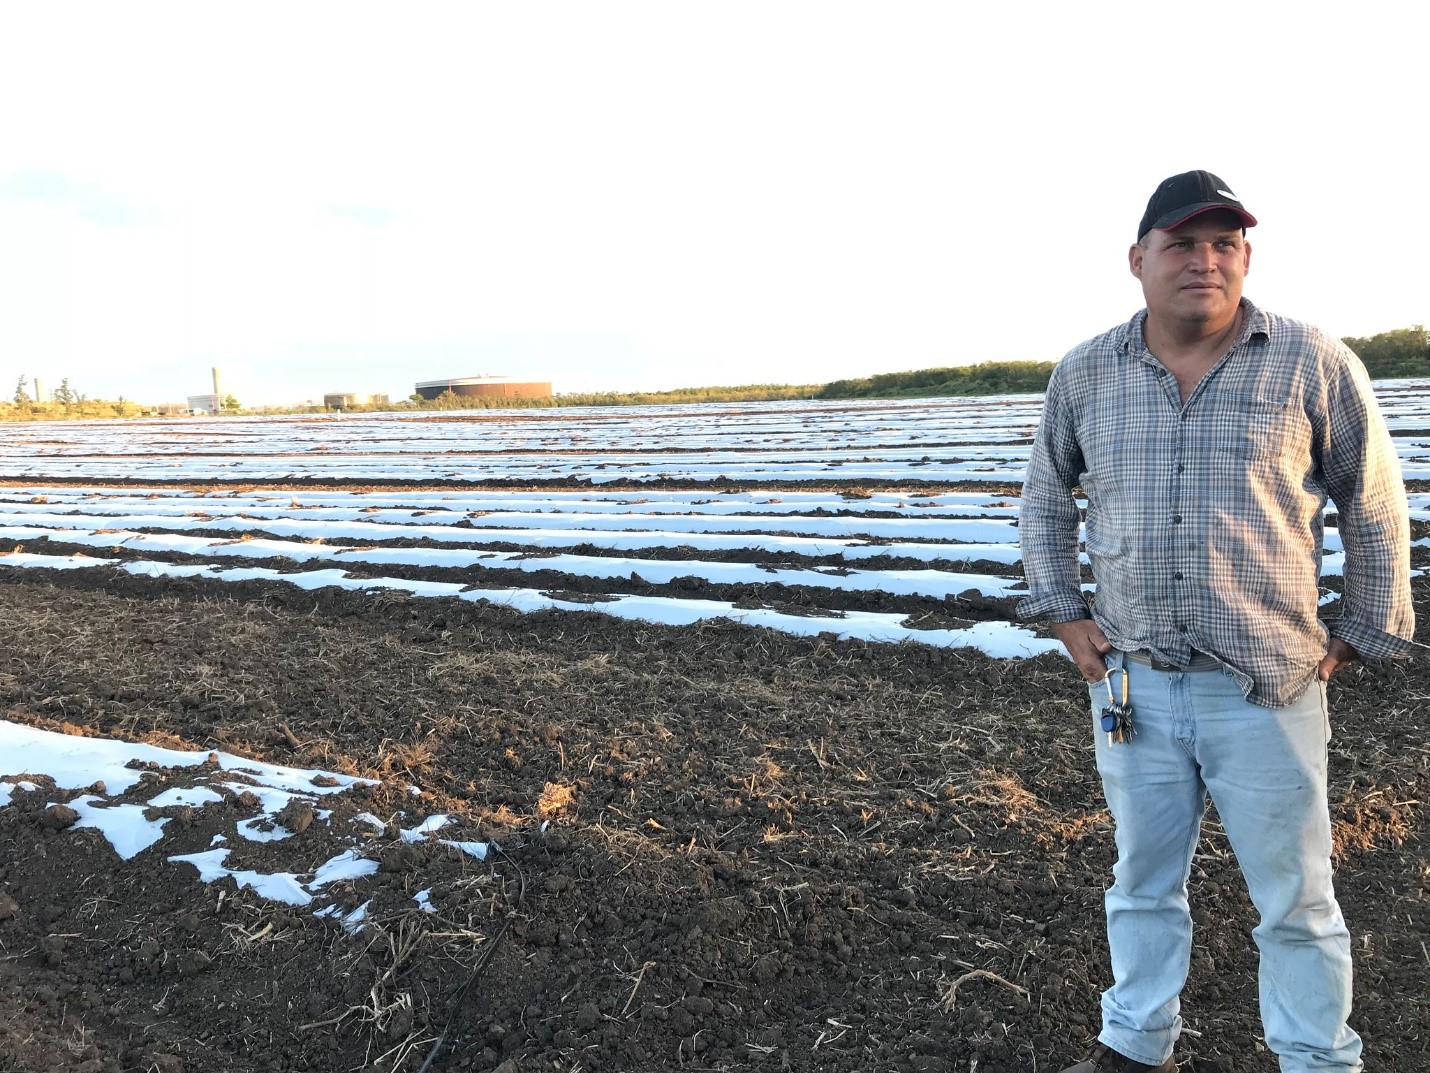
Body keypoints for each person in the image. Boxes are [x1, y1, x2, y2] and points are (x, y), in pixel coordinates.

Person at [1018, 169, 1418, 1073]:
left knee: (1298, 900)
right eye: (1182, 243)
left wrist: (1364, 622)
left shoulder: (1311, 360)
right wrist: (1062, 611)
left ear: (1245, 256)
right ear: (1138, 259)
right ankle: (1135, 1043)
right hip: (1133, 684)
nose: (1205, 260)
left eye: (1224, 243)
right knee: (1141, 883)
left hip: (1267, 684)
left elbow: (1376, 500)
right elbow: (1045, 496)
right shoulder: (1087, 371)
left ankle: (1318, 1058)